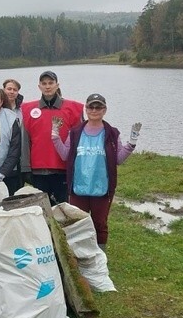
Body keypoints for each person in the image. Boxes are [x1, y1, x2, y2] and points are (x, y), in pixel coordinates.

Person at [52, 93, 141, 250]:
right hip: (78, 187)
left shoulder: (112, 133)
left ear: (104, 110)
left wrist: (131, 143)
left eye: (98, 107)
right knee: (78, 222)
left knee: (100, 223)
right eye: (91, 107)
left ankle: (100, 255)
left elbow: (118, 159)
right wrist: (55, 137)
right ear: (86, 109)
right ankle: (79, 252)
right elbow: (66, 155)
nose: (94, 110)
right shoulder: (75, 132)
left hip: (102, 188)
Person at [21, 70, 84, 204]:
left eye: (51, 83)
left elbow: (79, 140)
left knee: (63, 207)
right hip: (38, 170)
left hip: (63, 168)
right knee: (42, 208)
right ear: (39, 86)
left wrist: (78, 165)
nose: (47, 86)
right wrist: (26, 167)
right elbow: (25, 141)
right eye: (44, 83)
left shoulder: (73, 108)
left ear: (57, 85)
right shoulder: (28, 109)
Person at [2, 78, 28, 191]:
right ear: (3, 90)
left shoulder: (23, 110)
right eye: (9, 89)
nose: (11, 92)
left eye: (15, 89)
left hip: (19, 155)